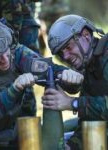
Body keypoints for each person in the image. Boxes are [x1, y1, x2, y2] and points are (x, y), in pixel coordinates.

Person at [0, 16, 84, 150]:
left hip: (15, 133)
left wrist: (68, 78)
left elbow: (47, 70)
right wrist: (14, 90)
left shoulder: (15, 52)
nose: (5, 59)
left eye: (6, 51)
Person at [42, 14, 108, 150]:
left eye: (68, 47)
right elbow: (90, 120)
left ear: (86, 36)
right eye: (61, 53)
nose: (65, 56)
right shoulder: (90, 67)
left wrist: (72, 103)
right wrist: (71, 146)